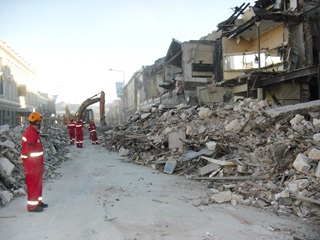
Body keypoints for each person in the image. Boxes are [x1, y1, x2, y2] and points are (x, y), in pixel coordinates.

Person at [20, 112, 48, 212]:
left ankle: (38, 202)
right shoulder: (31, 133)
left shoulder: (34, 132)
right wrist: (23, 158)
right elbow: (27, 150)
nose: (40, 123)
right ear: (36, 122)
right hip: (32, 165)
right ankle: (32, 206)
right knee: (33, 184)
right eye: (39, 121)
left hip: (36, 164)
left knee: (38, 183)